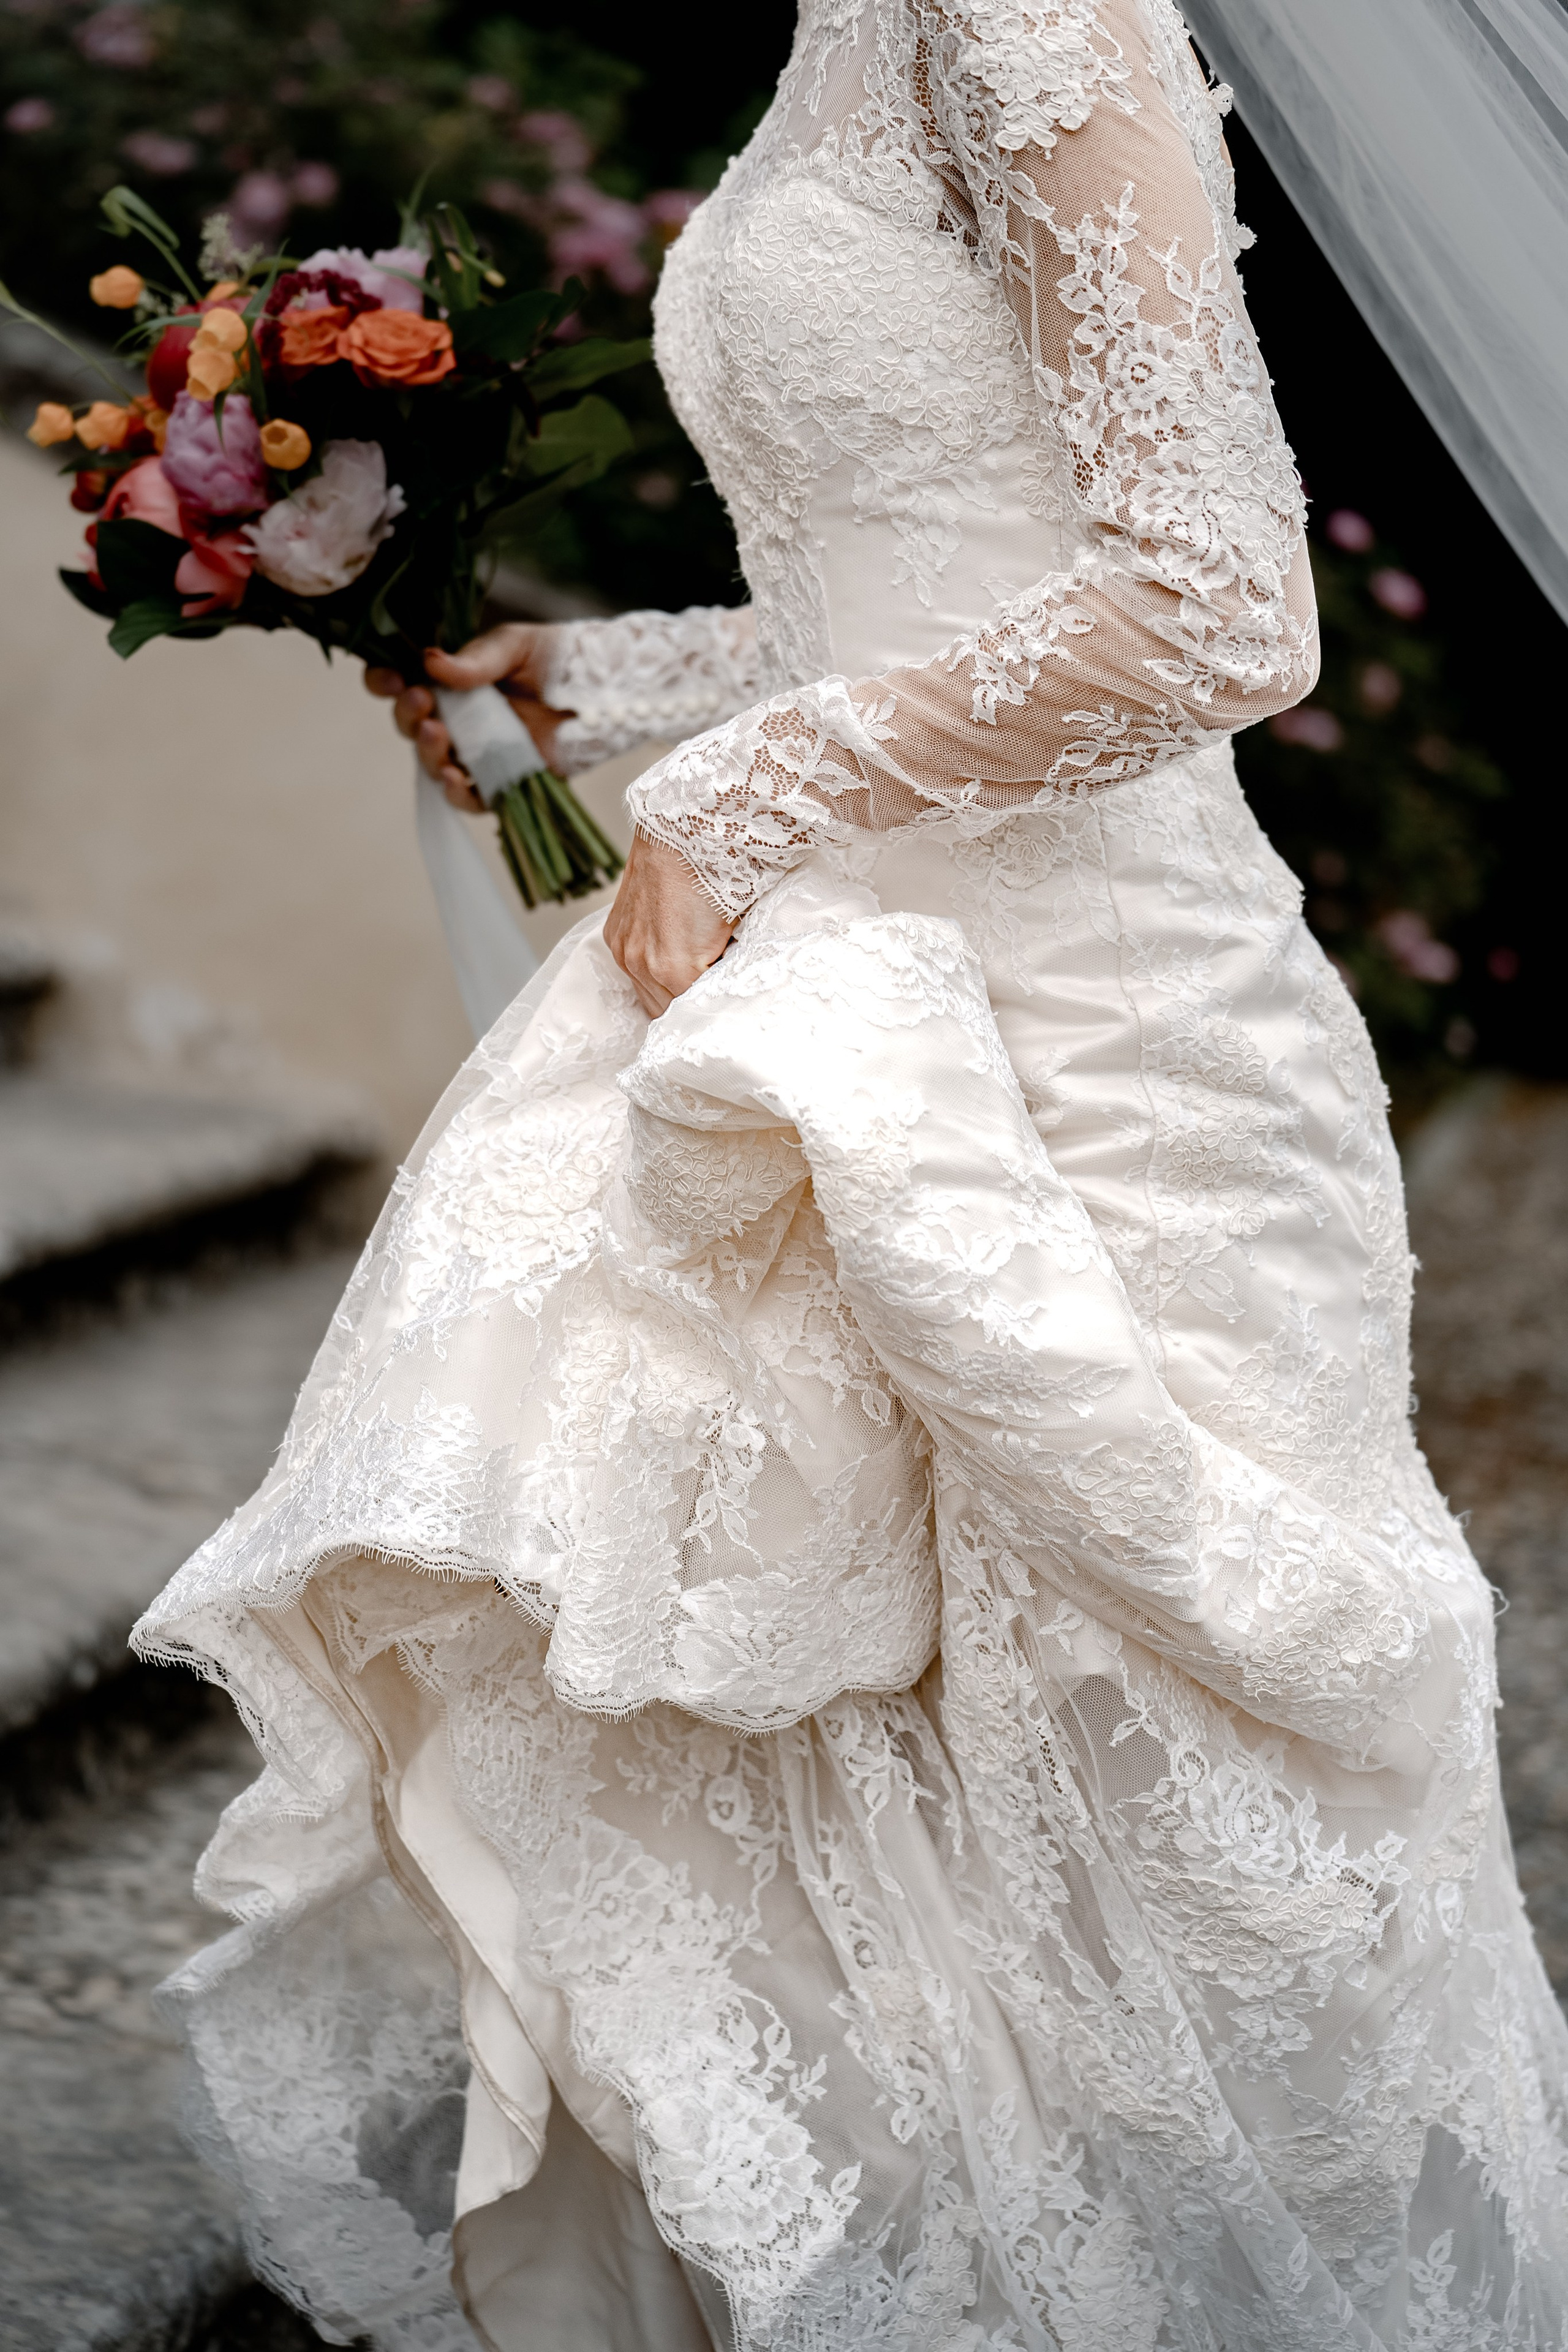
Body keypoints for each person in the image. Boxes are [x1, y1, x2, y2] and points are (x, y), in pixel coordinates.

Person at [136, 1, 1568, 2345]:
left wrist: (754, 793)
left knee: (1178, 1855)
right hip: (859, 1011)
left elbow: (1220, 600)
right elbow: (890, 589)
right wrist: (589, 691)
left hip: (1109, 1058)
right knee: (859, 1809)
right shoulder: (843, 34)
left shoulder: (1035, 12)